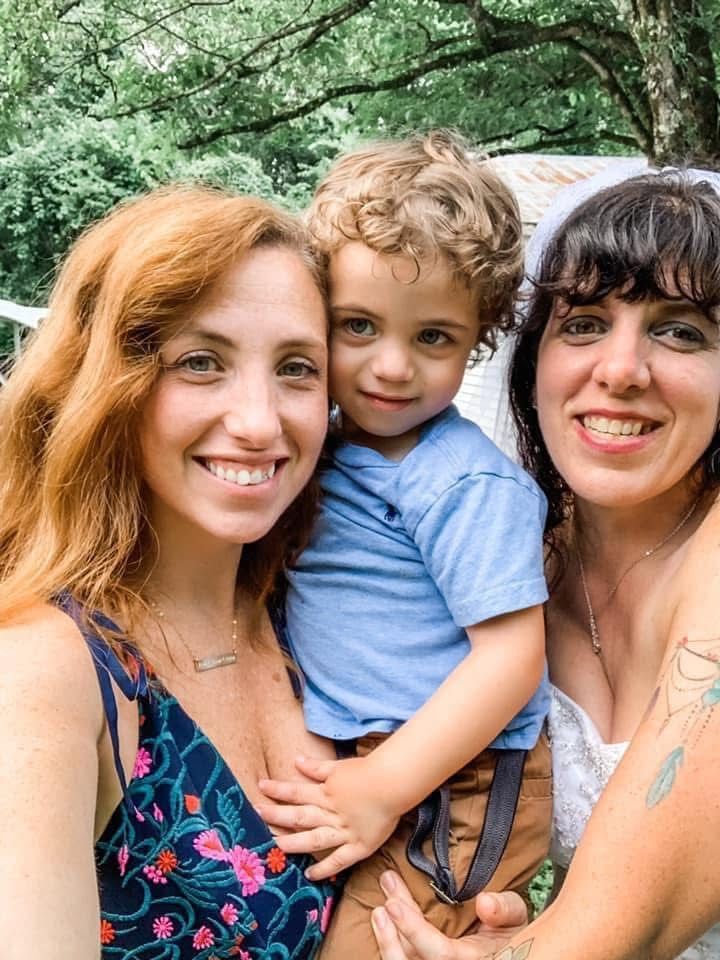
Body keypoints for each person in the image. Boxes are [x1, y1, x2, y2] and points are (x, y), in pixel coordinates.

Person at [371, 166, 720, 960]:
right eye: (585, 323)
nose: (622, 369)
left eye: (682, 330)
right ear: (532, 362)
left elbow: (621, 932)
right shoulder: (514, 561)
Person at [0, 185, 340, 956]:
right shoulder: (46, 668)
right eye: (199, 362)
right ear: (107, 386)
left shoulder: (311, 610)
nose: (259, 422)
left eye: (296, 368)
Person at [255, 131, 553, 958]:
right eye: (358, 326)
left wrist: (387, 785)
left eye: (434, 338)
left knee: (380, 944)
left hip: (463, 774)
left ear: (478, 339)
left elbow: (511, 657)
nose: (391, 367)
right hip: (376, 756)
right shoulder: (328, 443)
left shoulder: (461, 483)